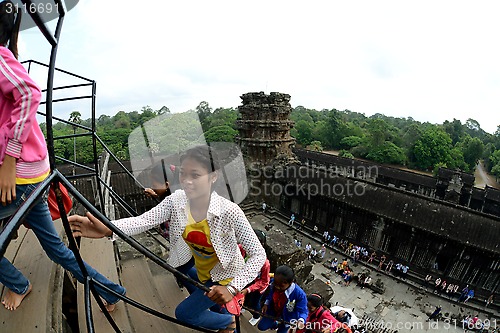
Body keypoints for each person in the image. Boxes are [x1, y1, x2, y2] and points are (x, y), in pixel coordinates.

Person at [0, 2, 126, 312]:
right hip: (31, 176)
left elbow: (29, 93)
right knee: (57, 250)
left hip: (17, 175)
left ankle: (18, 283)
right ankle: (111, 290)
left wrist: (9, 160)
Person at [69, 145, 266, 332]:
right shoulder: (177, 199)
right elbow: (143, 220)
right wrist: (108, 229)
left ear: (213, 177)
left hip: (226, 276)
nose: (186, 180)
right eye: (183, 173)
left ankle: (228, 322)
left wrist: (232, 288)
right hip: (203, 270)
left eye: (195, 175)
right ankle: (218, 312)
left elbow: (258, 255)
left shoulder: (229, 212)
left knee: (184, 314)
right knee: (187, 275)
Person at [258, 265, 308, 333]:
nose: (277, 287)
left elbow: (303, 311)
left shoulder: (299, 295)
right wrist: (266, 303)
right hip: (274, 310)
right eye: (276, 284)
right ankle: (275, 324)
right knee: (261, 326)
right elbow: (270, 293)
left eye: (281, 286)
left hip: (288, 318)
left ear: (290, 283)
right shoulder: (274, 282)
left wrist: (301, 320)